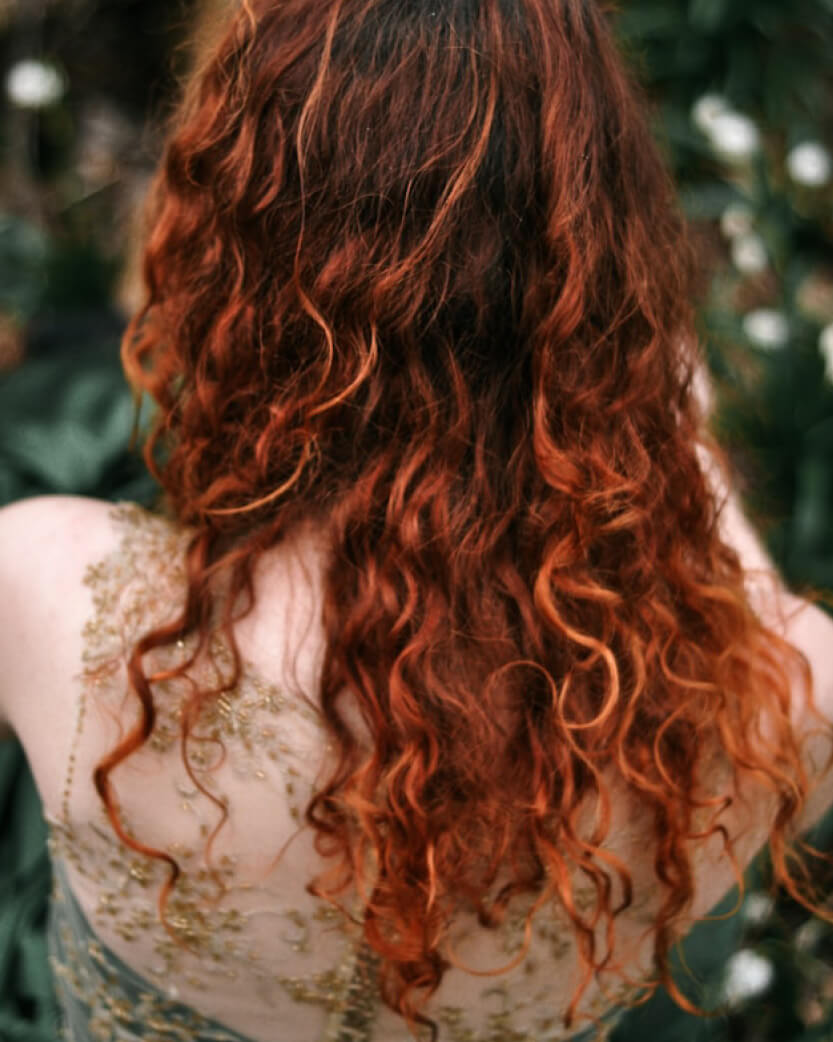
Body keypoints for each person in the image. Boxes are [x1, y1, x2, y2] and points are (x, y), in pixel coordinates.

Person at [1, 1, 833, 1040]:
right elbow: (754, 607)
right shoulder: (782, 699)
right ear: (606, 260)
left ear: (231, 250)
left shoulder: (43, 583)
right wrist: (671, 432)